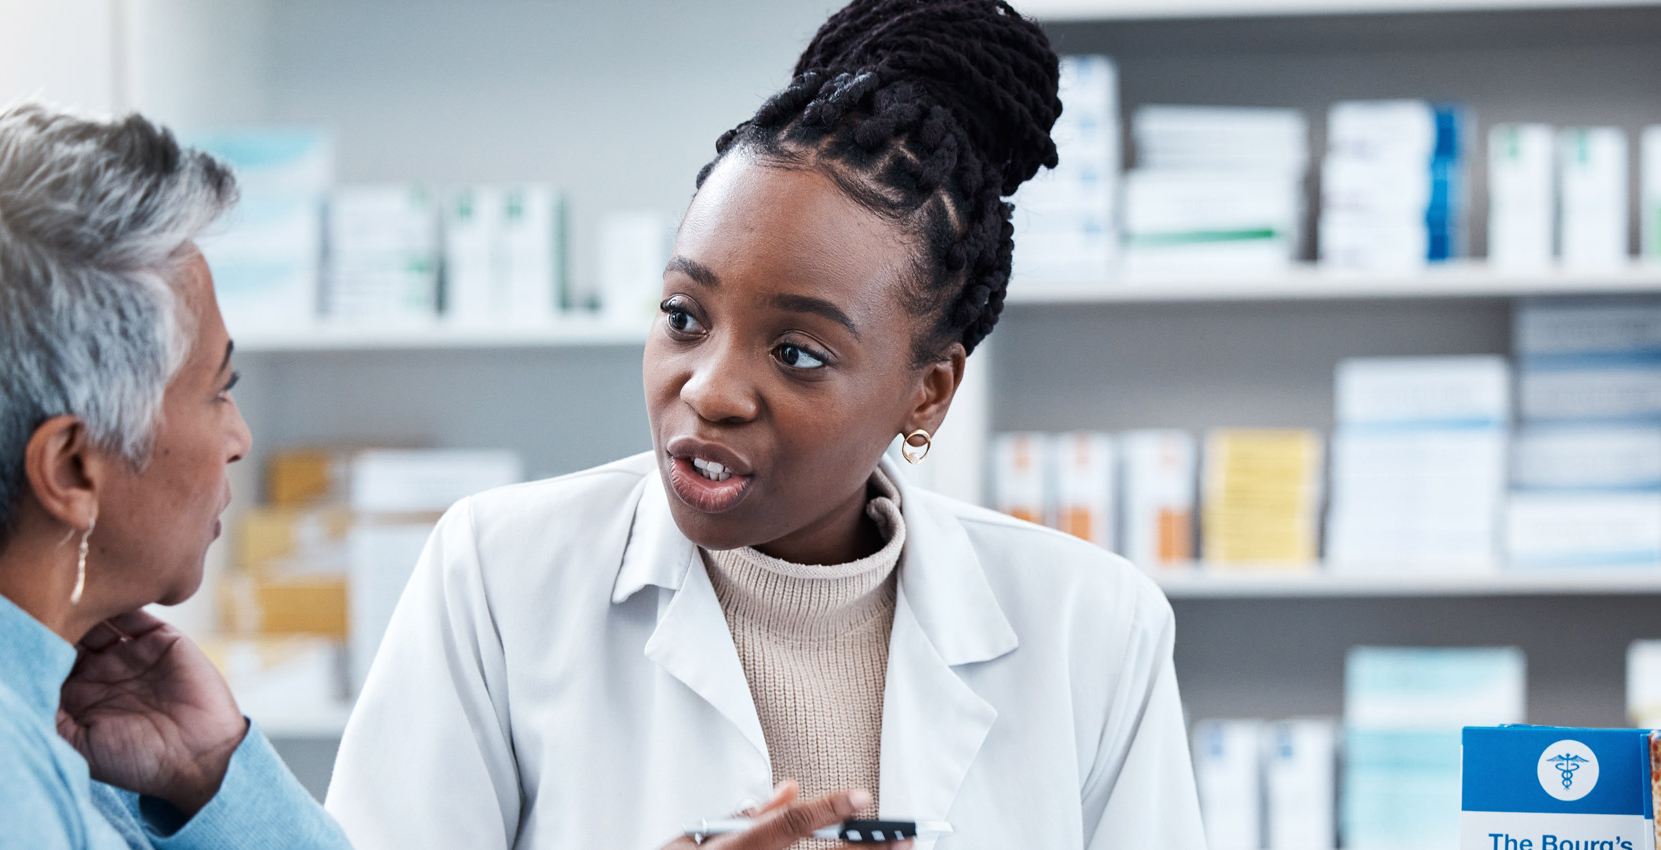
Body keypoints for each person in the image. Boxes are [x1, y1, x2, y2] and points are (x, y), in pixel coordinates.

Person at [0, 102, 882, 850]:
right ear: (72, 467)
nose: (237, 439)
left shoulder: (34, 708)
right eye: (217, 388)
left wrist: (218, 774)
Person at [326, 1, 1206, 848]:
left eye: (796, 354)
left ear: (927, 393)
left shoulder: (1090, 626)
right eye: (683, 315)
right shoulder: (499, 574)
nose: (709, 391)